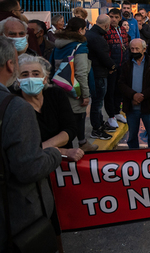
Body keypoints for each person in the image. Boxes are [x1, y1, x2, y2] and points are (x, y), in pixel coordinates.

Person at [0, 36, 62, 250]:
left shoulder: (54, 97)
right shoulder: (16, 107)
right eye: (24, 72)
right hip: (16, 213)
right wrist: (53, 153)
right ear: (11, 66)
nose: (30, 78)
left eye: (36, 74)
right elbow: (28, 168)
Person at [14, 54, 87, 157]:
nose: (30, 79)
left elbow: (70, 128)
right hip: (34, 164)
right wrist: (61, 151)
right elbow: (22, 147)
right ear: (17, 81)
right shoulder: (14, 105)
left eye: (36, 74)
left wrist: (41, 148)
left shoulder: (56, 94)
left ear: (45, 79)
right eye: (25, 75)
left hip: (62, 163)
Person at [51, 18, 98, 146]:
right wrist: (86, 95)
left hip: (59, 86)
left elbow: (51, 67)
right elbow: (81, 73)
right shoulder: (79, 46)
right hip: (74, 89)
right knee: (77, 119)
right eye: (84, 29)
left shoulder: (58, 44)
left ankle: (73, 145)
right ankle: (80, 145)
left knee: (64, 120)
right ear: (80, 30)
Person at [118, 39, 150, 149]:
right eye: (132, 49)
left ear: (144, 49)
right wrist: (133, 95)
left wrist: (142, 96)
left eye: (137, 49)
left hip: (149, 107)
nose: (134, 51)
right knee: (132, 136)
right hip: (132, 108)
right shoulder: (126, 65)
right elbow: (121, 83)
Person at [86, 14, 117, 138]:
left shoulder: (90, 34)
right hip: (99, 73)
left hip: (94, 72)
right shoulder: (99, 39)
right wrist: (113, 67)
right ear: (106, 25)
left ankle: (99, 123)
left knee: (97, 101)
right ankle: (97, 128)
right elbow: (104, 57)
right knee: (98, 102)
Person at [104, 8, 129, 129]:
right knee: (110, 91)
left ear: (120, 18)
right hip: (111, 67)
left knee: (119, 90)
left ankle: (117, 112)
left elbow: (126, 47)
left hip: (122, 66)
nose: (113, 19)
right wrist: (109, 65)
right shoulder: (105, 31)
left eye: (116, 17)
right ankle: (111, 116)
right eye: (111, 17)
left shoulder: (122, 30)